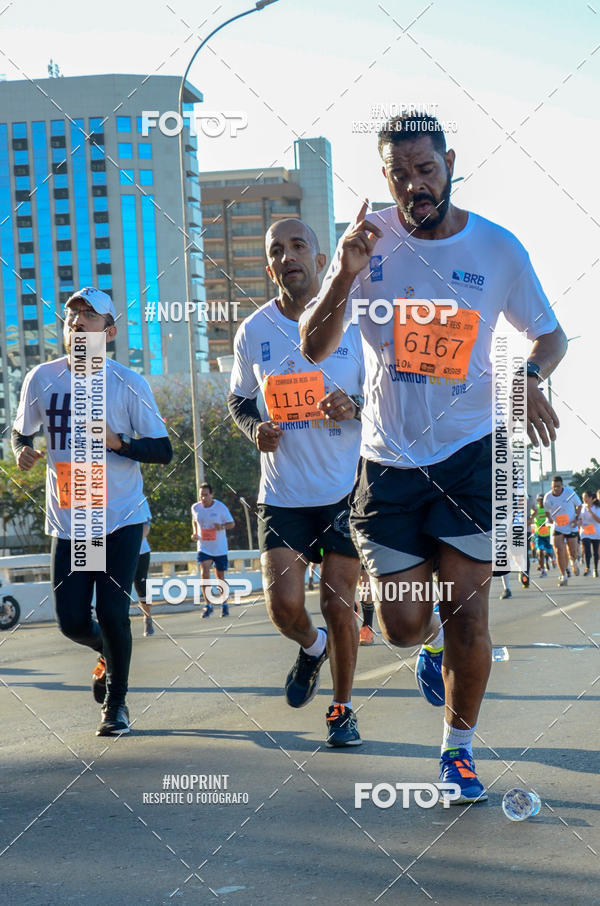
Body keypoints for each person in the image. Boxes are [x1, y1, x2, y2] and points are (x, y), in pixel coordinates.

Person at [299, 112, 566, 800]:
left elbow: (549, 336)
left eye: (426, 170)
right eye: (400, 175)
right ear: (384, 177)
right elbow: (314, 347)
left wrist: (528, 379)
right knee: (403, 621)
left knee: (469, 612)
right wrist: (343, 274)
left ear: (449, 162)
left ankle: (458, 751)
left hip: (472, 457)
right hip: (388, 465)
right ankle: (428, 646)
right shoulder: (367, 242)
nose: (415, 186)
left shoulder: (497, 250)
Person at [228, 218, 365, 747]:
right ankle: (312, 648)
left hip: (345, 489)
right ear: (269, 266)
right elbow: (239, 399)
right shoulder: (253, 331)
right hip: (283, 491)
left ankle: (342, 708)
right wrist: (252, 428)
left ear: (320, 257)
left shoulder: (355, 322)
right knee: (284, 607)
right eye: (277, 250)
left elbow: (390, 400)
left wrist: (354, 406)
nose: (288, 256)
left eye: (298, 246)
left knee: (338, 601)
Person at [12, 287, 172, 736]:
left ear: (110, 330)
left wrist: (119, 442)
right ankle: (108, 652)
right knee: (73, 621)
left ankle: (116, 706)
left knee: (115, 612)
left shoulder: (128, 384)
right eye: (71, 315)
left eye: (89, 315)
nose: (78, 321)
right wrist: (23, 450)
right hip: (72, 520)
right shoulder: (41, 379)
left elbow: (163, 450)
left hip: (120, 517)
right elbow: (20, 433)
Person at [191, 483, 235, 618]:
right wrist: (194, 533)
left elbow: (231, 524)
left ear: (211, 495)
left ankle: (224, 603)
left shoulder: (221, 507)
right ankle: (208, 605)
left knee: (220, 577)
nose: (203, 498)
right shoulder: (195, 507)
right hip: (204, 547)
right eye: (201, 496)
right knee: (204, 573)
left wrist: (221, 526)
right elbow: (194, 521)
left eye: (205, 495)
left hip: (220, 548)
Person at [544, 475, 582, 586]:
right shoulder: (548, 497)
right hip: (557, 526)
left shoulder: (569, 492)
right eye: (554, 487)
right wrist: (549, 518)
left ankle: (574, 562)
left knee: (573, 551)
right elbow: (547, 510)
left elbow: (579, 506)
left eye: (558, 486)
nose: (556, 489)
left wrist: (576, 518)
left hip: (571, 525)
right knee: (558, 550)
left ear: (562, 485)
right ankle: (563, 575)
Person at [134, 521, 153, 636]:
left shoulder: (139, 503)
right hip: (117, 552)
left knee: (140, 585)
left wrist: (134, 541)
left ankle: (147, 617)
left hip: (141, 552)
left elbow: (146, 526)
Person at [579, 490, 600, 577]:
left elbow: (599, 520)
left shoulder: (597, 507)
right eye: (583, 498)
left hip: (596, 532)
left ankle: (595, 569)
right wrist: (578, 523)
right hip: (585, 532)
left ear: (592, 498)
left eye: (586, 497)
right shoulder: (581, 507)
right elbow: (579, 519)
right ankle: (588, 568)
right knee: (587, 550)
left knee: (596, 552)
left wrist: (590, 511)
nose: (584, 500)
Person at [533, 493, 552, 577]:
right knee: (540, 550)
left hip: (548, 534)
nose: (541, 501)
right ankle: (543, 570)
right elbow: (531, 518)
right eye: (539, 500)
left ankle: (552, 559)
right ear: (537, 500)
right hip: (538, 534)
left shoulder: (548, 509)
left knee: (549, 552)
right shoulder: (534, 509)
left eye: (542, 500)